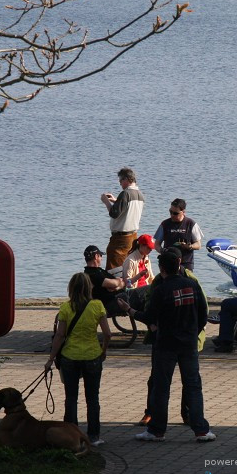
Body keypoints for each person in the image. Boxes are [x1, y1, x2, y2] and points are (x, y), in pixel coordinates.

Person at [133, 249, 215, 443]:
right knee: (193, 386)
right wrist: (194, 332)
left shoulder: (161, 290)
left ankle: (157, 431)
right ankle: (201, 431)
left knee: (161, 388)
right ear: (179, 264)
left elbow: (149, 316)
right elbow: (203, 312)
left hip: (166, 344)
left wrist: (129, 310)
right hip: (189, 344)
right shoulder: (192, 285)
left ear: (162, 268)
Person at [45, 273, 111, 446]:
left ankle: (71, 435)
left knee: (71, 397)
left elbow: (60, 335)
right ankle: (94, 436)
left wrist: (51, 359)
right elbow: (107, 333)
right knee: (93, 398)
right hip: (92, 356)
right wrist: (103, 350)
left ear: (71, 288)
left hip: (70, 357)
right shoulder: (97, 305)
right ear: (89, 287)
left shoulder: (66, 308)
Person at [100, 167, 145, 270]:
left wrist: (106, 201)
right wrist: (117, 201)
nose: (120, 183)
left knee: (114, 268)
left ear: (126, 179)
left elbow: (114, 213)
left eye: (120, 180)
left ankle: (116, 285)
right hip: (133, 236)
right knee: (128, 267)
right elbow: (129, 210)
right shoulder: (140, 195)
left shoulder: (125, 194)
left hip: (121, 238)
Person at [153, 198, 203, 272]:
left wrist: (189, 246)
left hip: (186, 263)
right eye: (170, 212)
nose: (172, 215)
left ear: (183, 212)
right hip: (168, 263)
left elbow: (198, 245)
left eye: (175, 213)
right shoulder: (165, 224)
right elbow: (156, 244)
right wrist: (162, 250)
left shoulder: (191, 224)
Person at [83, 245, 126, 314]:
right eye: (100, 256)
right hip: (110, 304)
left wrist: (116, 286)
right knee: (142, 294)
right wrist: (118, 283)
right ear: (96, 256)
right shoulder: (93, 274)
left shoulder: (98, 270)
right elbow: (114, 283)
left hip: (117, 299)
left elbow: (114, 283)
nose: (101, 258)